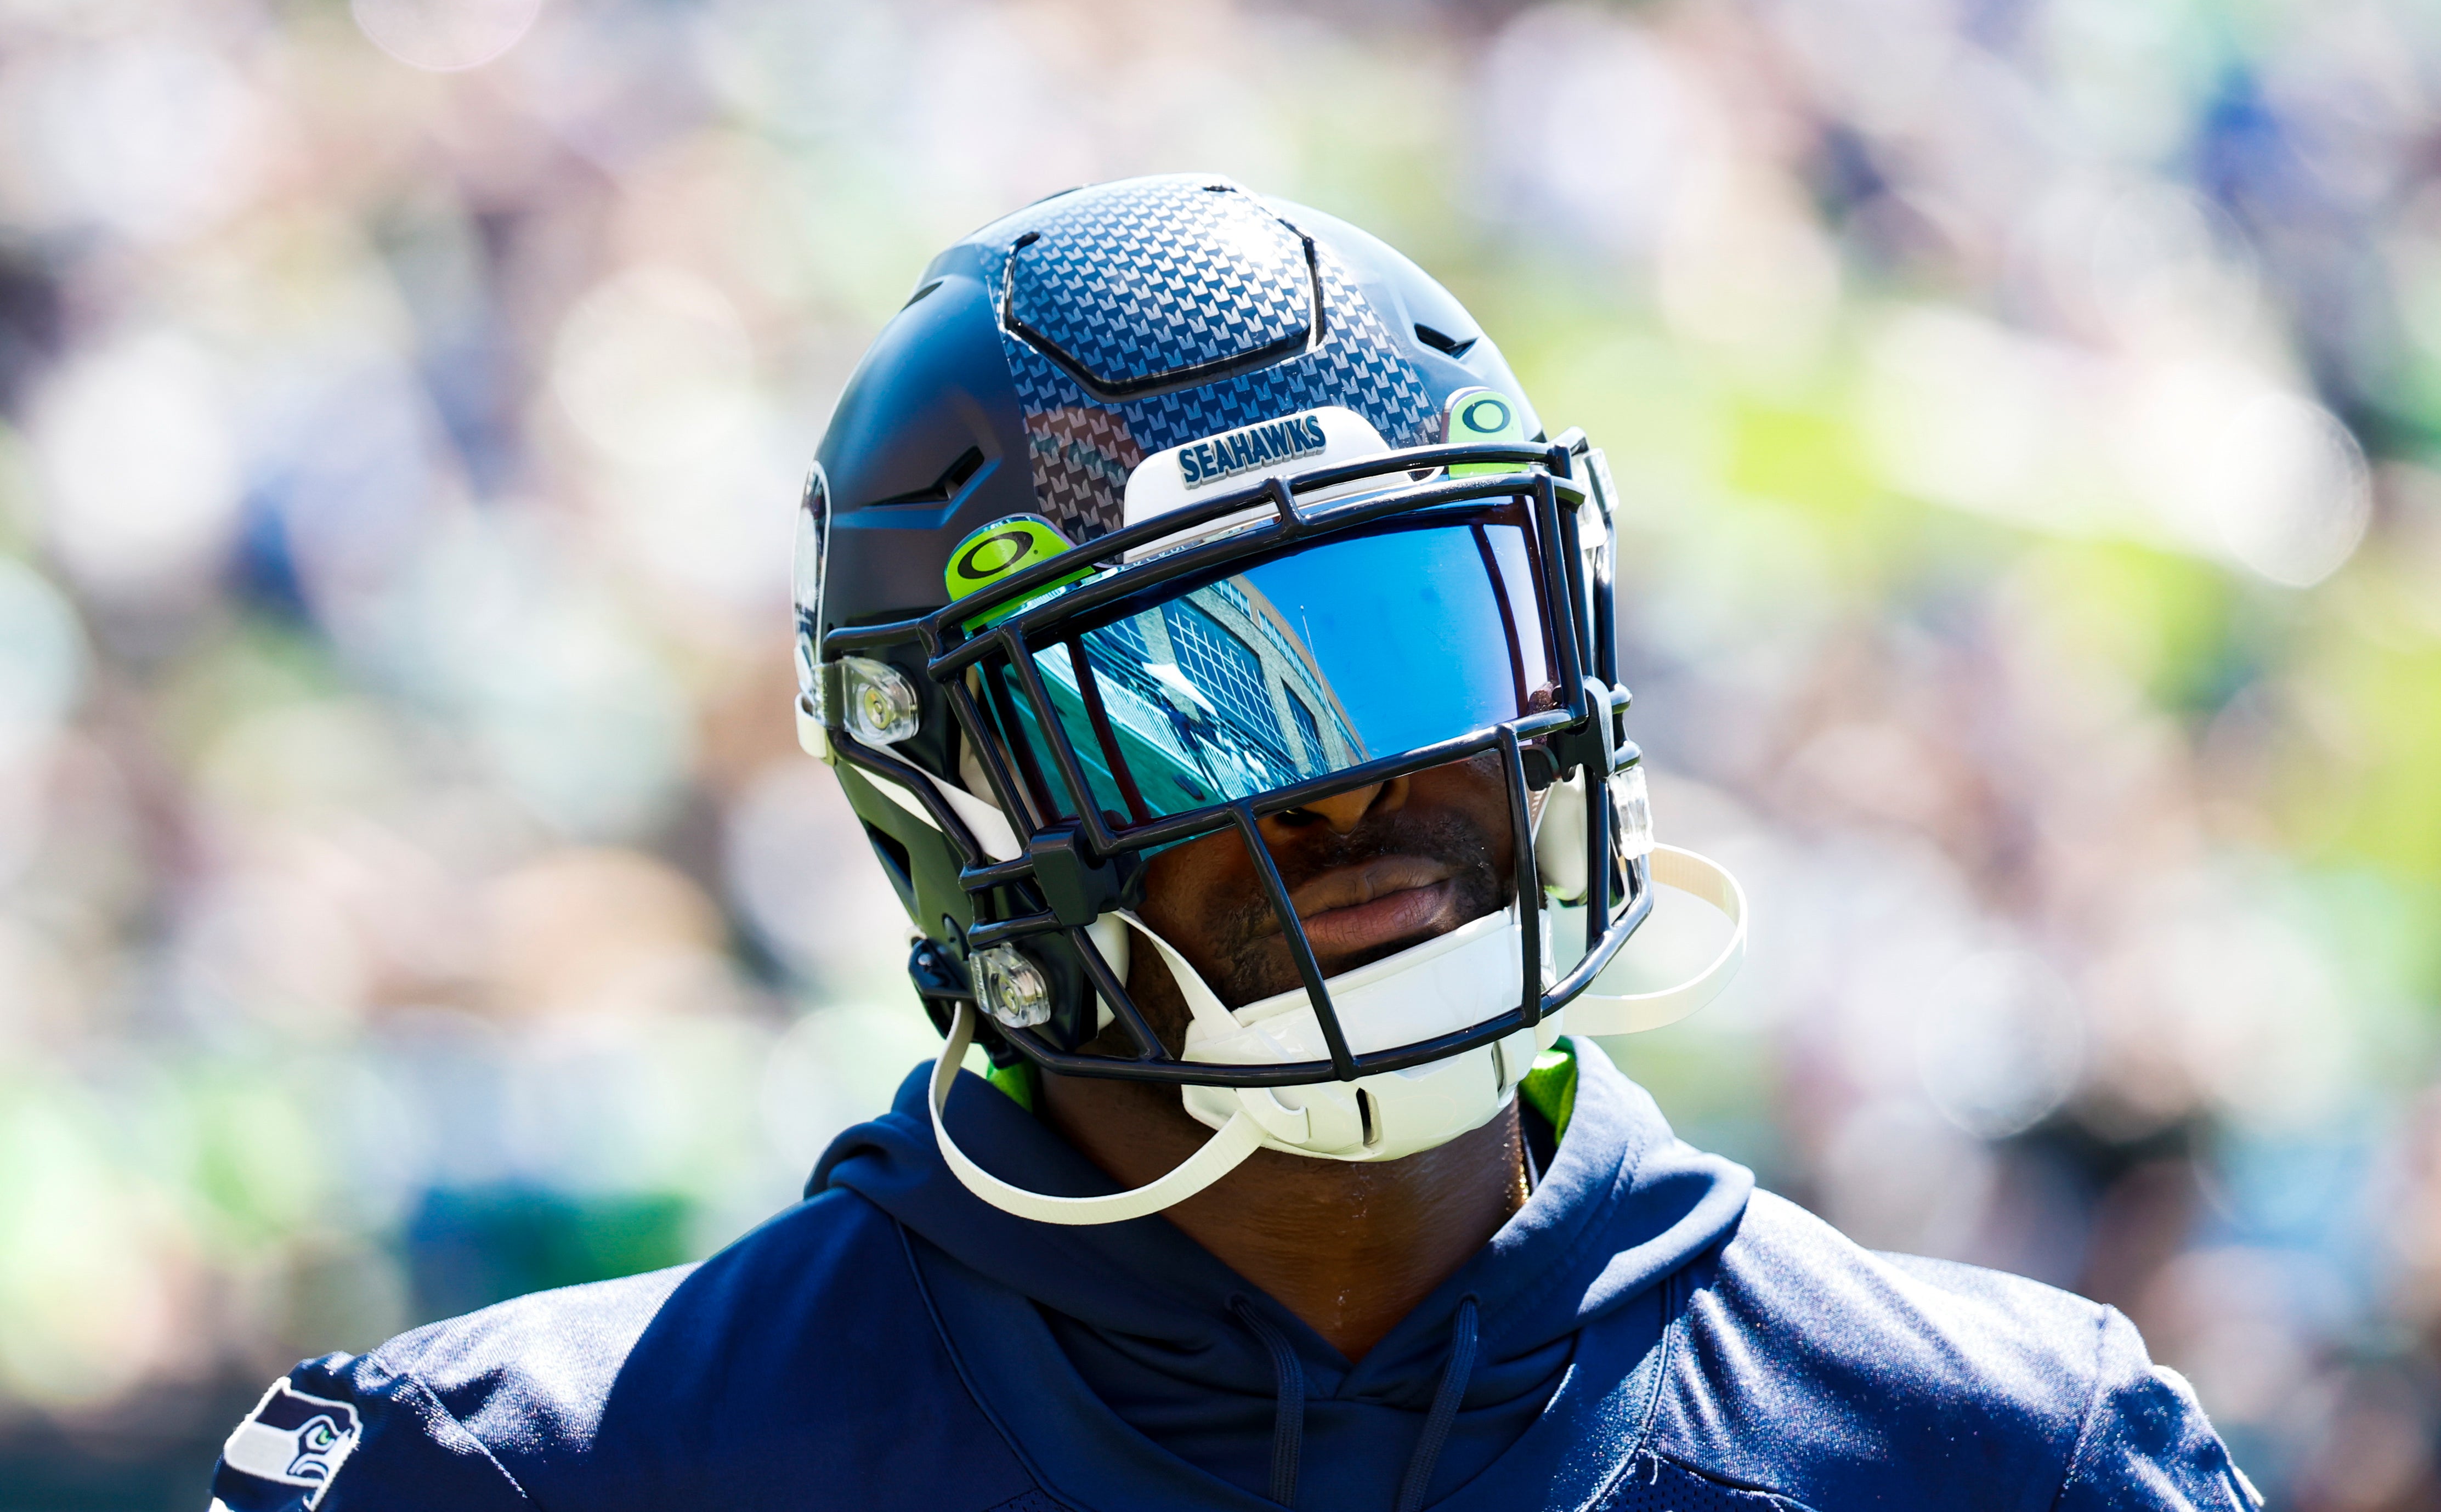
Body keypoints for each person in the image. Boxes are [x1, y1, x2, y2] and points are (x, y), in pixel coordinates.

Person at [208, 174, 2257, 1511]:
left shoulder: (2001, 1449)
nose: (1351, 785)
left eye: (1411, 643)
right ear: (952, 792)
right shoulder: (534, 1472)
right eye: (1188, 703)